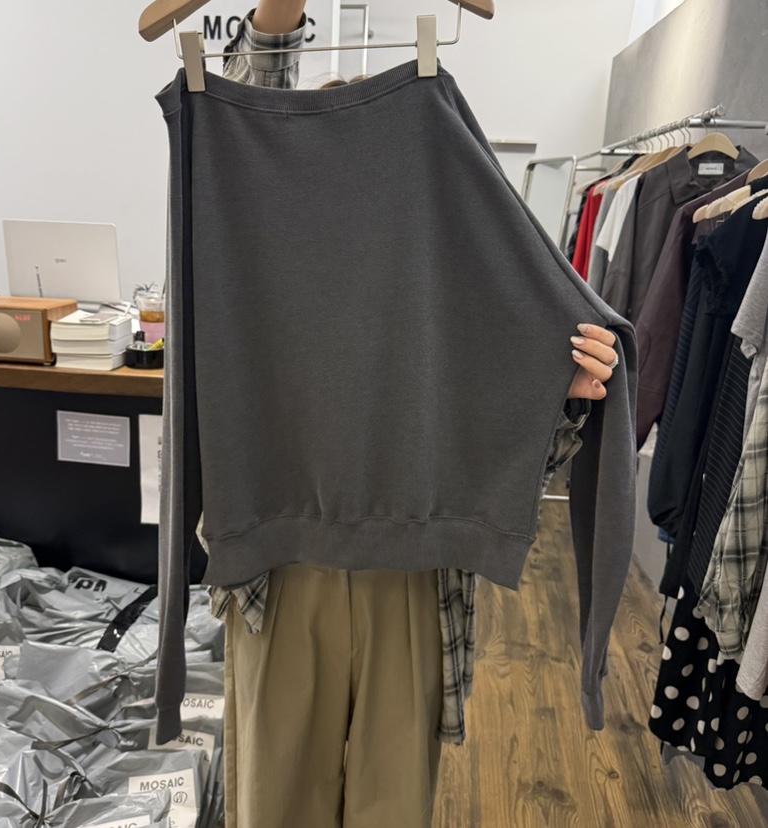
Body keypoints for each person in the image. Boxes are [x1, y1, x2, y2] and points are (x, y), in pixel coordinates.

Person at [213, 4, 621, 826]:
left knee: (391, 807)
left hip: (414, 568)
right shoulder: (260, 253)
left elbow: (505, 455)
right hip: (277, 564)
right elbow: (237, 132)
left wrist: (554, 395)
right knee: (273, 804)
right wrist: (273, 26)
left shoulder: (442, 278)